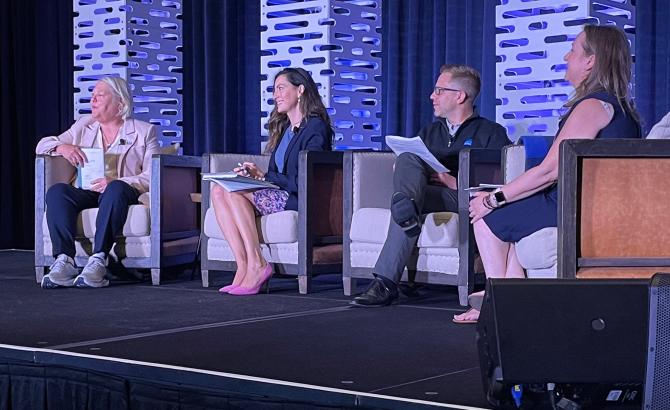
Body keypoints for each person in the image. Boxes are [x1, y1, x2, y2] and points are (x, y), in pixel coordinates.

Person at [456, 24, 643, 323]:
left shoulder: (593, 106)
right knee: (514, 213)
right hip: (597, 206)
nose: (567, 56)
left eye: (573, 50)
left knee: (485, 214)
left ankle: (496, 298)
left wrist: (493, 199)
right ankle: (506, 301)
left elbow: (550, 171)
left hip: (577, 209)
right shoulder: (624, 110)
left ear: (590, 61)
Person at [350, 64, 510, 307]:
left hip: (465, 199)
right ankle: (405, 207)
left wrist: (454, 181)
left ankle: (385, 282)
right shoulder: (430, 131)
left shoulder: (490, 132)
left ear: (460, 96)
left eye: (439, 90)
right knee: (406, 160)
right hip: (427, 194)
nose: (432, 96)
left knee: (407, 202)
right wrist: (405, 171)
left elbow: (501, 182)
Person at [211, 67, 332, 296]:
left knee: (235, 192)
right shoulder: (285, 129)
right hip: (279, 193)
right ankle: (243, 265)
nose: (275, 95)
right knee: (219, 190)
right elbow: (277, 174)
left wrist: (263, 177)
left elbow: (304, 180)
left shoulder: (316, 128)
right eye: (274, 89)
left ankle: (258, 264)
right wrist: (253, 175)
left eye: (281, 88)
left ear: (300, 90)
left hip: (298, 198)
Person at [36, 76, 159, 289]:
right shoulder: (85, 125)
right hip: (88, 189)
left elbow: (152, 175)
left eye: (99, 96)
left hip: (123, 191)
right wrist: (62, 148)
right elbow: (42, 145)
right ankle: (64, 259)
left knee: (115, 188)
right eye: (92, 96)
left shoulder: (144, 131)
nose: (92, 100)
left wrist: (118, 180)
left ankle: (98, 258)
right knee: (57, 192)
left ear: (120, 104)